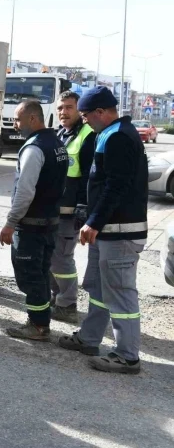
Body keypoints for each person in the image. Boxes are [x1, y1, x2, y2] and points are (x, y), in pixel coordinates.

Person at [58, 86, 148, 375]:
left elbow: (116, 186)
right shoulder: (108, 134)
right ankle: (89, 338)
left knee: (120, 293)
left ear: (100, 112)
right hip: (106, 230)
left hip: (119, 232)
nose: (84, 121)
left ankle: (127, 356)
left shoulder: (119, 137)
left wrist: (94, 221)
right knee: (97, 288)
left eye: (85, 115)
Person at [0, 100, 68, 341]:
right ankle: (40, 321)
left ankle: (38, 326)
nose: (15, 125)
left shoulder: (34, 148)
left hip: (31, 226)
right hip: (50, 222)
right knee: (40, 273)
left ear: (32, 119)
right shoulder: (57, 144)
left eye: (18, 119)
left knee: (30, 276)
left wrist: (10, 222)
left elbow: (25, 192)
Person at [49, 91, 95, 323]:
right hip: (55, 209)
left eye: (68, 107)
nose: (63, 112)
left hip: (70, 211)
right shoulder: (61, 134)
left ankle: (67, 305)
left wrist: (82, 206)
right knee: (52, 256)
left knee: (62, 258)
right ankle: (57, 298)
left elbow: (89, 175)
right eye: (60, 108)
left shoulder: (87, 135)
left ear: (79, 110)